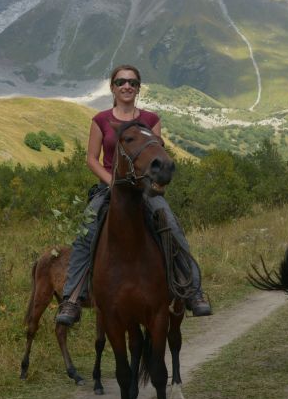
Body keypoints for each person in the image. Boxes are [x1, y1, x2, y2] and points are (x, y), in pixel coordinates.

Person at [54, 64, 211, 326]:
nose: (127, 86)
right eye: (121, 82)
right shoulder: (101, 120)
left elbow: (157, 159)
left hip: (146, 190)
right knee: (86, 231)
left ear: (139, 88)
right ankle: (72, 297)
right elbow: (92, 159)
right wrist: (113, 183)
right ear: (112, 87)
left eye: (133, 82)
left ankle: (193, 291)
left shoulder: (151, 120)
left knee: (172, 226)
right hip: (109, 188)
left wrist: (153, 184)